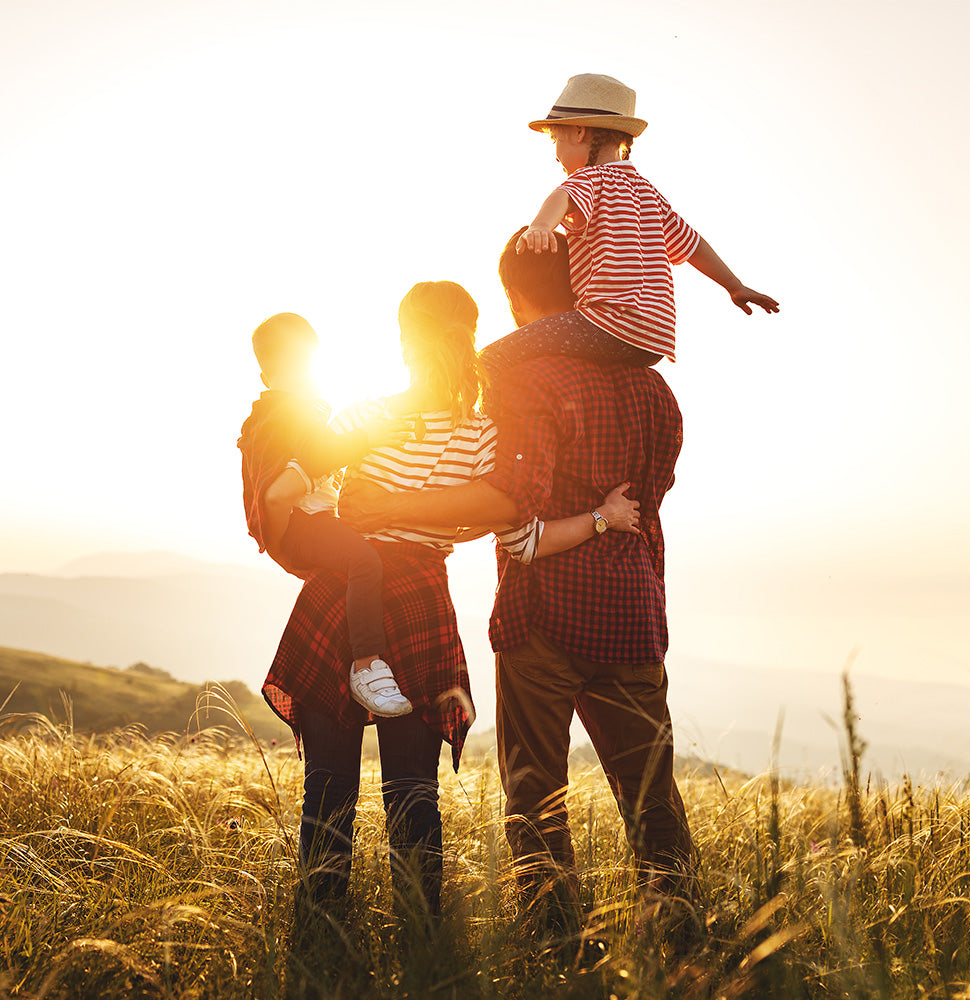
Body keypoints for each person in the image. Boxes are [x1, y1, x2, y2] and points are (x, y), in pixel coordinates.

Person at [342, 230, 698, 940]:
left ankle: (557, 945)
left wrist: (395, 506)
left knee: (536, 797)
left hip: (547, 618)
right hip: (635, 615)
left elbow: (509, 500)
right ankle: (682, 939)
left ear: (513, 297)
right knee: (652, 796)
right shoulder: (656, 388)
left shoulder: (529, 378)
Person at [259, 282, 640, 919]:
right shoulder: (486, 438)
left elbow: (298, 502)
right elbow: (522, 537)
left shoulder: (361, 418)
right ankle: (421, 936)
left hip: (339, 598)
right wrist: (599, 519)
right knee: (413, 793)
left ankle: (319, 934)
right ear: (469, 337)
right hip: (417, 610)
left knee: (326, 794)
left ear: (405, 341)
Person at [479, 72, 779, 375]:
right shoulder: (647, 192)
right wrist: (734, 286)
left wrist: (541, 226)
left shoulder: (589, 178)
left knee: (492, 358)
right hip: (655, 341)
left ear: (580, 131)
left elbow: (563, 197)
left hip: (607, 323)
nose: (555, 153)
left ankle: (481, 423)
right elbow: (693, 246)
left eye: (555, 138)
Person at [238, 312, 413, 716]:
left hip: (309, 524)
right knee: (364, 560)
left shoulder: (290, 411)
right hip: (302, 525)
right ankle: (367, 665)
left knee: (362, 557)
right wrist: (369, 438)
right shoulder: (282, 413)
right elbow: (287, 484)